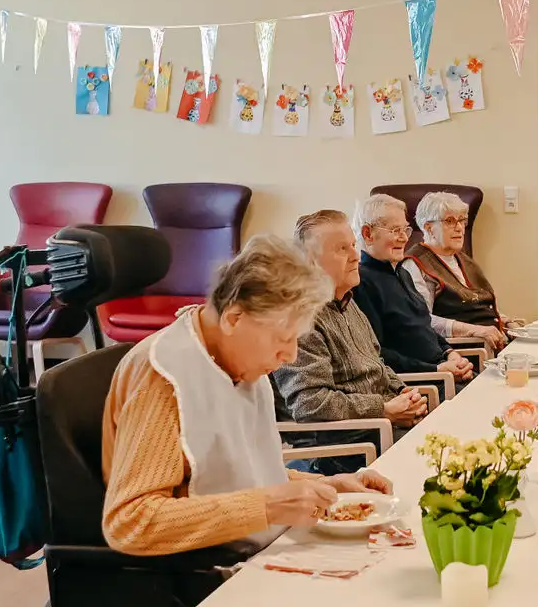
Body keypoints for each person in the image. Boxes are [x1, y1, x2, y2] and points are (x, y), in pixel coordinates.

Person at [101, 234, 391, 556]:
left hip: (259, 548)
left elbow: (239, 474)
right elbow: (130, 523)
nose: (291, 355)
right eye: (283, 339)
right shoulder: (163, 376)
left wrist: (326, 485)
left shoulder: (235, 361)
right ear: (234, 318)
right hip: (205, 575)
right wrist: (267, 506)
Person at [275, 210, 430, 443]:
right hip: (348, 446)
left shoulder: (348, 302)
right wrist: (384, 409)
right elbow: (309, 403)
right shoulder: (302, 318)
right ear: (309, 260)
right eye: (341, 249)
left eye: (353, 245)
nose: (356, 256)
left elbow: (377, 364)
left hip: (382, 428)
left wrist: (402, 392)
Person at [352, 193, 475, 383]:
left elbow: (423, 326)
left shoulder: (403, 274)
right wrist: (437, 369)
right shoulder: (361, 283)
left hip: (443, 371)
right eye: (395, 230)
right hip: (420, 383)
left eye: (405, 230)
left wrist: (450, 353)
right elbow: (376, 353)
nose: (403, 238)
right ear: (368, 234)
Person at [401, 191, 507, 353]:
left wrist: (506, 322)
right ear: (429, 228)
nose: (459, 228)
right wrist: (473, 330)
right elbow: (422, 320)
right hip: (465, 353)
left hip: (494, 344)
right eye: (450, 221)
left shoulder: (462, 258)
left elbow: (478, 304)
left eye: (461, 221)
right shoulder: (415, 264)